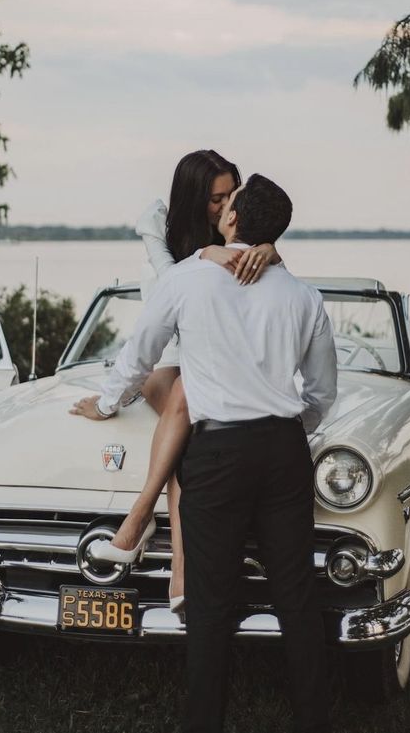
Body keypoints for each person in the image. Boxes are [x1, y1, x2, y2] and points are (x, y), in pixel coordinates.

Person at [72, 174, 337, 733]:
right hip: (285, 449)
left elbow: (139, 355)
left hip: (218, 454)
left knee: (211, 608)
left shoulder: (187, 280)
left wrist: (106, 402)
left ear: (235, 218)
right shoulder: (303, 295)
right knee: (296, 596)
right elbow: (320, 394)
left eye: (230, 202)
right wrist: (284, 427)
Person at [72, 149, 280, 612]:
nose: (225, 208)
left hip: (215, 362)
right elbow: (170, 295)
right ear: (192, 198)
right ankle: (164, 545)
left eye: (232, 197)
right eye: (215, 199)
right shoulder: (158, 237)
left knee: (193, 440)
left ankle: (143, 524)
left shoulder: (239, 238)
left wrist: (267, 249)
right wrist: (108, 402)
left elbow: (267, 296)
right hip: (168, 362)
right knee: (185, 395)